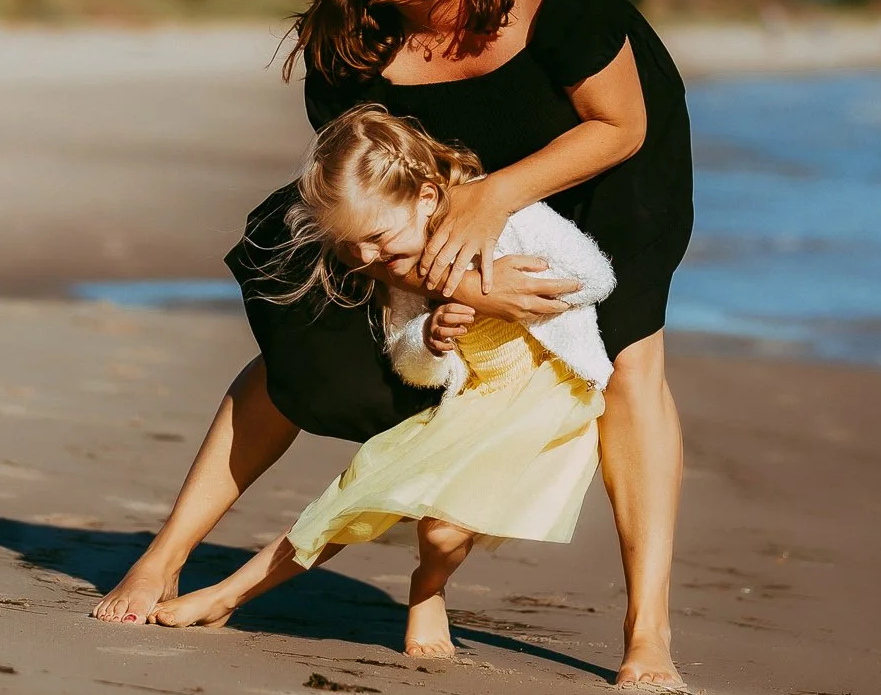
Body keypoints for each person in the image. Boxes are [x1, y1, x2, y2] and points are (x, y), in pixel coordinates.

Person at [93, 0, 693, 690]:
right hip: (437, 188)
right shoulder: (349, 46)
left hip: (605, 160)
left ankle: (649, 634)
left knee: (628, 364)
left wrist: (493, 198)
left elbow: (622, 123)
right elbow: (371, 211)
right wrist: (475, 286)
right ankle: (166, 553)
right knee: (315, 343)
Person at [150, 104, 617, 659]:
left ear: (424, 197)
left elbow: (596, 278)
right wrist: (432, 337)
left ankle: (428, 589)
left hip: (543, 401)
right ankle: (226, 597)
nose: (371, 258)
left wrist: (476, 284)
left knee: (443, 534)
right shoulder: (401, 272)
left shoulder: (510, 220)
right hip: (470, 401)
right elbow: (410, 361)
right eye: (354, 248)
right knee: (348, 502)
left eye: (377, 237)